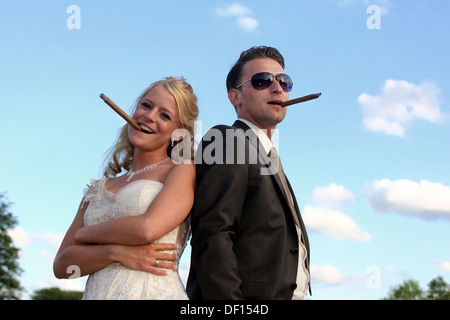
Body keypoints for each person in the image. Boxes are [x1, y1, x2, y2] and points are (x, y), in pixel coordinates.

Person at [53, 77, 199, 299]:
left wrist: (84, 235)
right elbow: (62, 266)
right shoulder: (101, 187)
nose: (149, 116)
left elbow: (146, 229)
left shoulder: (181, 170)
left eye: (165, 115)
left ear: (179, 132)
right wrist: (114, 252)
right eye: (146, 105)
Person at [186, 46, 311, 300]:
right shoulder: (228, 139)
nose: (277, 88)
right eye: (262, 81)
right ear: (235, 97)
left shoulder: (271, 158)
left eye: (284, 82)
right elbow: (213, 235)